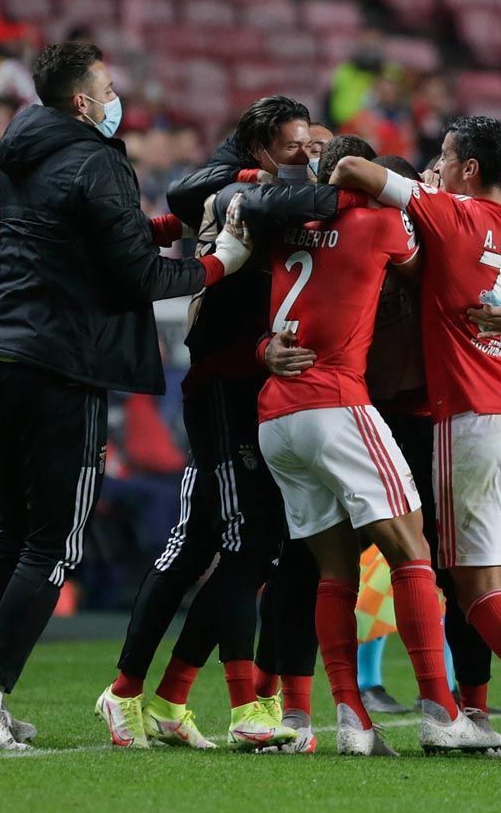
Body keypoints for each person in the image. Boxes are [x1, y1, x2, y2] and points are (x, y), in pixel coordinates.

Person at [0, 42, 255, 751]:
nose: (117, 98)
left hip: (0, 345)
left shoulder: (25, 147)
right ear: (83, 102)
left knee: (11, 532)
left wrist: (176, 226)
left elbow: (90, 240)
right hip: (63, 358)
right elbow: (136, 277)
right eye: (108, 87)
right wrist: (217, 265)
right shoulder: (98, 158)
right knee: (53, 544)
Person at [330, 115, 501, 761]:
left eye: (444, 155)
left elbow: (350, 169)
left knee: (475, 588)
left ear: (468, 170)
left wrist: (421, 188)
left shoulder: (449, 215)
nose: (436, 161)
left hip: (471, 418)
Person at [97, 96, 346, 752]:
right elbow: (188, 191)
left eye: (315, 148)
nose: (306, 158)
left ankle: (170, 697)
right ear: (262, 144)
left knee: (225, 545)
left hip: (257, 385)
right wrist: (322, 173)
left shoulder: (272, 185)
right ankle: (234, 706)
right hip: (224, 385)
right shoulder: (243, 185)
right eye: (297, 145)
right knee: (231, 545)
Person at [256, 132, 501, 757]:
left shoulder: (282, 222)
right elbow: (438, 272)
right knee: (414, 548)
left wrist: (264, 349)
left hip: (275, 413)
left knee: (331, 568)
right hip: (339, 403)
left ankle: (350, 719)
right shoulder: (384, 221)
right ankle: (442, 714)